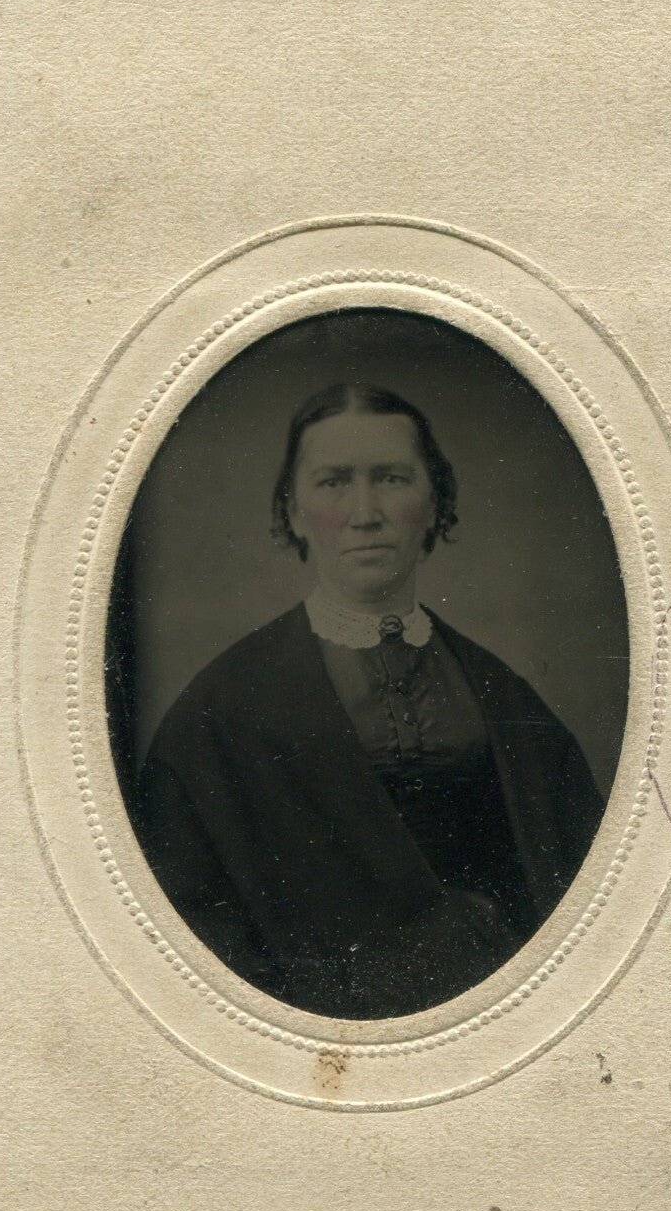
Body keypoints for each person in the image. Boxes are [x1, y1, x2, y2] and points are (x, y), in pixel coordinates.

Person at [134, 383, 605, 1020]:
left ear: (434, 502)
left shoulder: (506, 698)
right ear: (293, 511)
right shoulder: (218, 717)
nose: (365, 512)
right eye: (333, 483)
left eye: (391, 479)